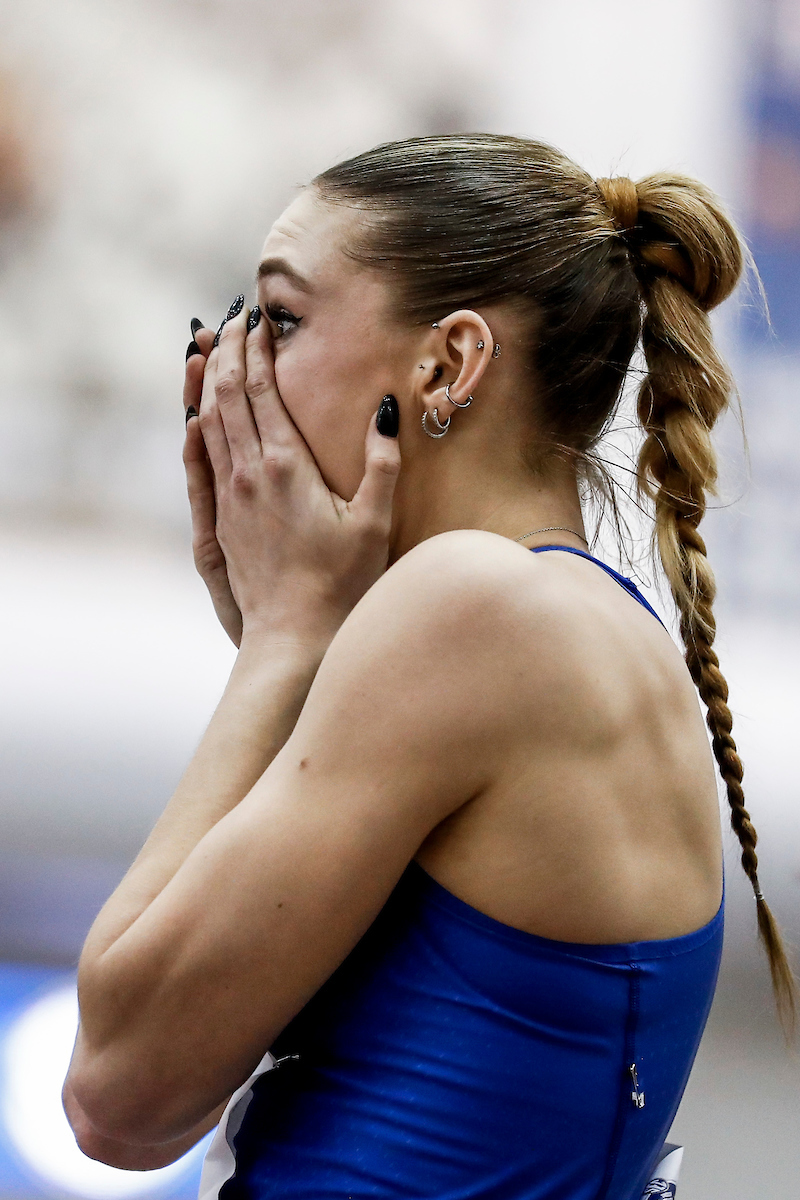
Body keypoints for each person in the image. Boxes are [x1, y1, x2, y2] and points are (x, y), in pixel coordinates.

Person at [62, 134, 795, 1199]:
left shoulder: (474, 608)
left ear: (448, 365)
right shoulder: (554, 618)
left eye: (277, 320)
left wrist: (282, 644)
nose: (230, 371)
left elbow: (116, 1095)